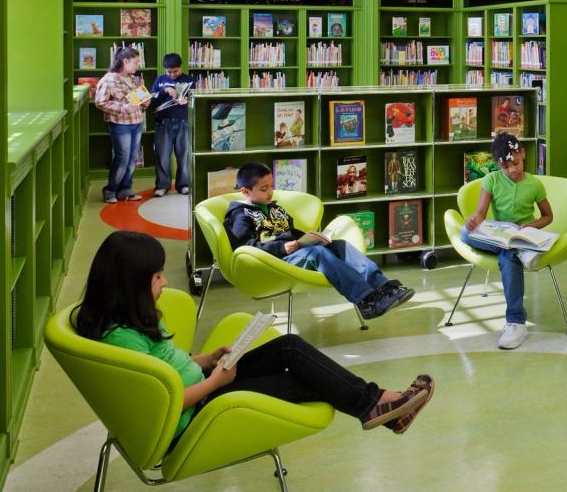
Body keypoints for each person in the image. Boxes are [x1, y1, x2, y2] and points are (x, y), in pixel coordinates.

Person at [75, 231, 433, 442]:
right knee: (304, 383)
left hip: (204, 380)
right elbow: (164, 401)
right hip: (198, 408)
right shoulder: (120, 339)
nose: (165, 282)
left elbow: (166, 364)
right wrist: (215, 381)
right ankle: (379, 405)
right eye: (156, 277)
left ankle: (379, 404)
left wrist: (207, 359)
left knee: (290, 347)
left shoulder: (125, 320)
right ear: (129, 283)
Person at [224, 162, 413, 320]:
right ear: (245, 191)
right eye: (264, 189)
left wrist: (312, 238)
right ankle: (367, 300)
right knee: (318, 253)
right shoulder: (240, 215)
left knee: (339, 245)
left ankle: (383, 287)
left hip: (295, 253)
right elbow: (244, 247)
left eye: (271, 186)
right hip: (272, 262)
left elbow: (290, 232)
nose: (270, 192)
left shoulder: (274, 208)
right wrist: (282, 247)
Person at [461, 133, 553, 350]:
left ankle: (516, 323)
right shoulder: (491, 180)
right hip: (500, 234)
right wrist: (474, 220)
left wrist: (528, 227)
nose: (512, 170)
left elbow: (548, 216)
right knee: (464, 233)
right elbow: (481, 212)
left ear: (523, 153)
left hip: (525, 234)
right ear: (497, 164)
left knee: (507, 260)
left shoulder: (535, 185)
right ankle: (519, 252)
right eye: (505, 167)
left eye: (516, 163)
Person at [94, 46, 149, 203]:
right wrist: (123, 108)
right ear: (125, 61)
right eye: (135, 62)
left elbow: (142, 100)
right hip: (121, 125)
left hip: (137, 123)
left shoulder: (133, 79)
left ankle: (125, 190)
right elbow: (100, 102)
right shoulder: (108, 79)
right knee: (122, 158)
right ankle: (110, 190)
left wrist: (146, 100)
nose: (137, 65)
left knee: (132, 159)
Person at [149, 53, 193, 197]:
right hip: (163, 123)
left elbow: (196, 100)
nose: (173, 75)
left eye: (176, 71)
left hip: (184, 122)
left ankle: (184, 184)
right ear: (165, 70)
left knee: (184, 155)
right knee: (162, 156)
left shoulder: (189, 80)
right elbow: (151, 100)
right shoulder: (160, 81)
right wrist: (164, 90)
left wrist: (188, 101)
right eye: (169, 72)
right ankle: (162, 186)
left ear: (181, 68)